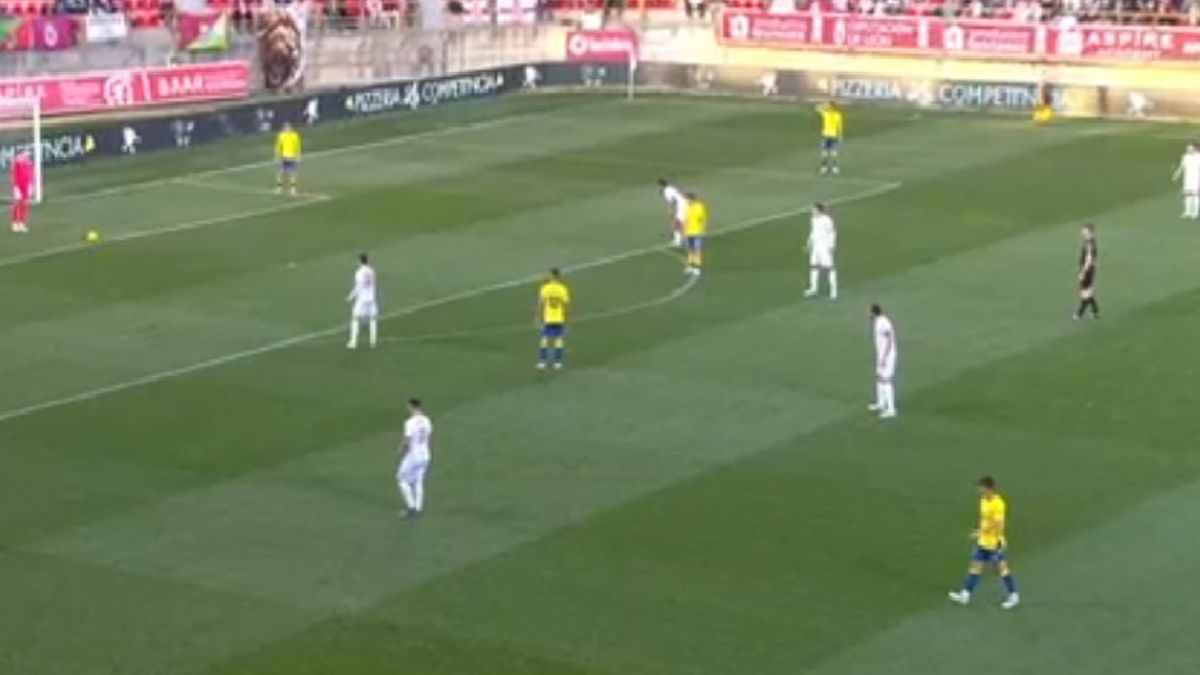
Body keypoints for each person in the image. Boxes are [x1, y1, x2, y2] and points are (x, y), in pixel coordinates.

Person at [949, 476, 1021, 610]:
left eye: (981, 489)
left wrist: (981, 532)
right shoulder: (983, 501)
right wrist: (981, 533)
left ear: (989, 489)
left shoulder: (998, 504)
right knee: (974, 568)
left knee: (1002, 570)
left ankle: (1013, 595)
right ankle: (965, 595)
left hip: (995, 543)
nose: (979, 491)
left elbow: (997, 523)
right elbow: (985, 520)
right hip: (983, 542)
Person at [397, 398, 433, 518]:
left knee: (401, 479)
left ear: (413, 407)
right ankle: (418, 508)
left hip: (414, 456)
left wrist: (401, 449)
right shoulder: (427, 420)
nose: (407, 409)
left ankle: (411, 507)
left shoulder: (410, 422)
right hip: (426, 454)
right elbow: (428, 435)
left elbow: (407, 439)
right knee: (419, 481)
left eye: (408, 407)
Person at [537, 268, 570, 370]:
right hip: (559, 318)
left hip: (548, 318)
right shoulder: (562, 289)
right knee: (558, 340)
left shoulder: (545, 288)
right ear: (559, 276)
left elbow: (541, 304)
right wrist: (566, 318)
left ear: (551, 276)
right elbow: (566, 305)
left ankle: (542, 362)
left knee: (544, 340)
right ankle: (558, 362)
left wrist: (538, 317)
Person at [868, 303, 897, 419]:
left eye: (869, 311)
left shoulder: (883, 323)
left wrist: (885, 357)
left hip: (887, 356)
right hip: (882, 355)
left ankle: (891, 409)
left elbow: (890, 339)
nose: (868, 314)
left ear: (873, 312)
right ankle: (881, 403)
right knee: (879, 379)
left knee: (886, 381)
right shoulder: (878, 322)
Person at [804, 202, 838, 300]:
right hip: (816, 247)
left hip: (825, 247)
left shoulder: (827, 220)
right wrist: (809, 243)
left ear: (819, 210)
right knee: (814, 266)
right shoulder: (813, 219)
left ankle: (833, 290)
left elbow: (832, 232)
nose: (812, 211)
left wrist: (831, 245)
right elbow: (813, 231)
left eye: (814, 209)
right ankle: (813, 288)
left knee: (829, 268)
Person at [347, 253, 379, 349]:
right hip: (372, 298)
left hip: (362, 299)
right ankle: (373, 342)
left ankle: (353, 342)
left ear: (359, 261)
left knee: (355, 318)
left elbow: (359, 286)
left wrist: (351, 296)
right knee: (372, 319)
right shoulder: (371, 271)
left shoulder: (359, 272)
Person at [1074, 223, 1099, 320]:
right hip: (1090, 269)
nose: (1082, 232)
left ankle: (1079, 313)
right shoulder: (1090, 242)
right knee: (1088, 292)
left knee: (1084, 293)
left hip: (1088, 270)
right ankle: (1095, 311)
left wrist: (1083, 272)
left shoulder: (1089, 244)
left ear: (1090, 233)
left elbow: (1089, 260)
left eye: (1085, 231)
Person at [1172, 143, 1200, 219]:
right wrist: (1177, 174)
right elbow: (1182, 166)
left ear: (1195, 149)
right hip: (1187, 178)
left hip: (1196, 178)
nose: (1189, 150)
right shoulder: (1185, 157)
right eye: (1188, 149)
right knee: (1187, 195)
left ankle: (1195, 212)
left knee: (1195, 195)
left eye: (1190, 149)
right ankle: (1187, 211)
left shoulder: (1198, 157)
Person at [658, 178, 687, 248]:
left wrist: (671, 210)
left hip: (681, 206)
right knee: (677, 222)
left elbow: (673, 200)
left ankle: (679, 240)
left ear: (661, 185)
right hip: (682, 204)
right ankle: (678, 239)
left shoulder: (667, 191)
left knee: (678, 223)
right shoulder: (670, 188)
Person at [816, 101, 844, 175]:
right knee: (828, 152)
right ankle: (828, 167)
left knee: (831, 152)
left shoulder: (827, 113)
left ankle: (828, 167)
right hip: (829, 135)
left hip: (829, 135)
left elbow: (817, 108)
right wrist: (840, 135)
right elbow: (840, 126)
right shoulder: (835, 114)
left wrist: (824, 106)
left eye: (830, 106)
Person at [683, 192, 707, 276]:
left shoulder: (699, 207)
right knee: (690, 250)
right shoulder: (687, 207)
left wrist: (702, 229)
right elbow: (686, 219)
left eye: (687, 199)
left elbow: (702, 219)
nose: (686, 201)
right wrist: (684, 231)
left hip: (697, 232)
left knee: (697, 250)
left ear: (692, 199)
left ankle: (697, 268)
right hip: (688, 232)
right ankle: (690, 266)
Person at [275, 122, 301, 195]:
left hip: (292, 156)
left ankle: (293, 189)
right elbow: (278, 146)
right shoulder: (281, 136)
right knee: (281, 172)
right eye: (286, 128)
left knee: (293, 173)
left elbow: (297, 146)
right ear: (284, 128)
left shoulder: (295, 135)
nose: (287, 129)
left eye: (289, 127)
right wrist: (277, 156)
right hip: (283, 157)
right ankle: (279, 188)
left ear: (291, 128)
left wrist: (298, 156)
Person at [10, 151, 32, 234]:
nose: (26, 157)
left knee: (24, 204)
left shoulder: (27, 163)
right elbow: (14, 175)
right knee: (17, 204)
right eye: (24, 155)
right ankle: (15, 222)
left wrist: (30, 184)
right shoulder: (16, 164)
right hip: (18, 186)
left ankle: (22, 223)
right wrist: (15, 187)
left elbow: (29, 173)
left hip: (25, 186)